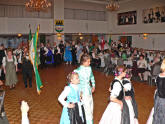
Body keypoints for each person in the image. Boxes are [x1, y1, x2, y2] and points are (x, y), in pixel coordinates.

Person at [74, 54, 95, 124]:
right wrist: (78, 92)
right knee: (86, 109)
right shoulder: (77, 71)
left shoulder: (89, 68)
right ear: (83, 62)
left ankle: (89, 120)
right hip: (82, 92)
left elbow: (92, 77)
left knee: (91, 106)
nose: (89, 63)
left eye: (90, 61)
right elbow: (74, 83)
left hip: (89, 91)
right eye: (88, 62)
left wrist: (93, 85)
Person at [152, 59, 165, 124]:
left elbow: (158, 88)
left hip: (158, 98)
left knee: (157, 114)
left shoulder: (158, 76)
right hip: (162, 99)